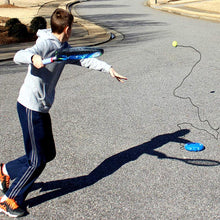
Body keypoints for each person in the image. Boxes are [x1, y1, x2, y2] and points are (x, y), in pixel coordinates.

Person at [0, 8, 127, 218]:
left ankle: (5, 171)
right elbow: (17, 56)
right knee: (37, 160)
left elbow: (83, 59)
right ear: (67, 29)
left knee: (47, 154)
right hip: (30, 106)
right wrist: (33, 57)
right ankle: (10, 200)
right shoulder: (46, 44)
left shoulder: (63, 47)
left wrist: (108, 69)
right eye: (72, 28)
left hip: (40, 108)